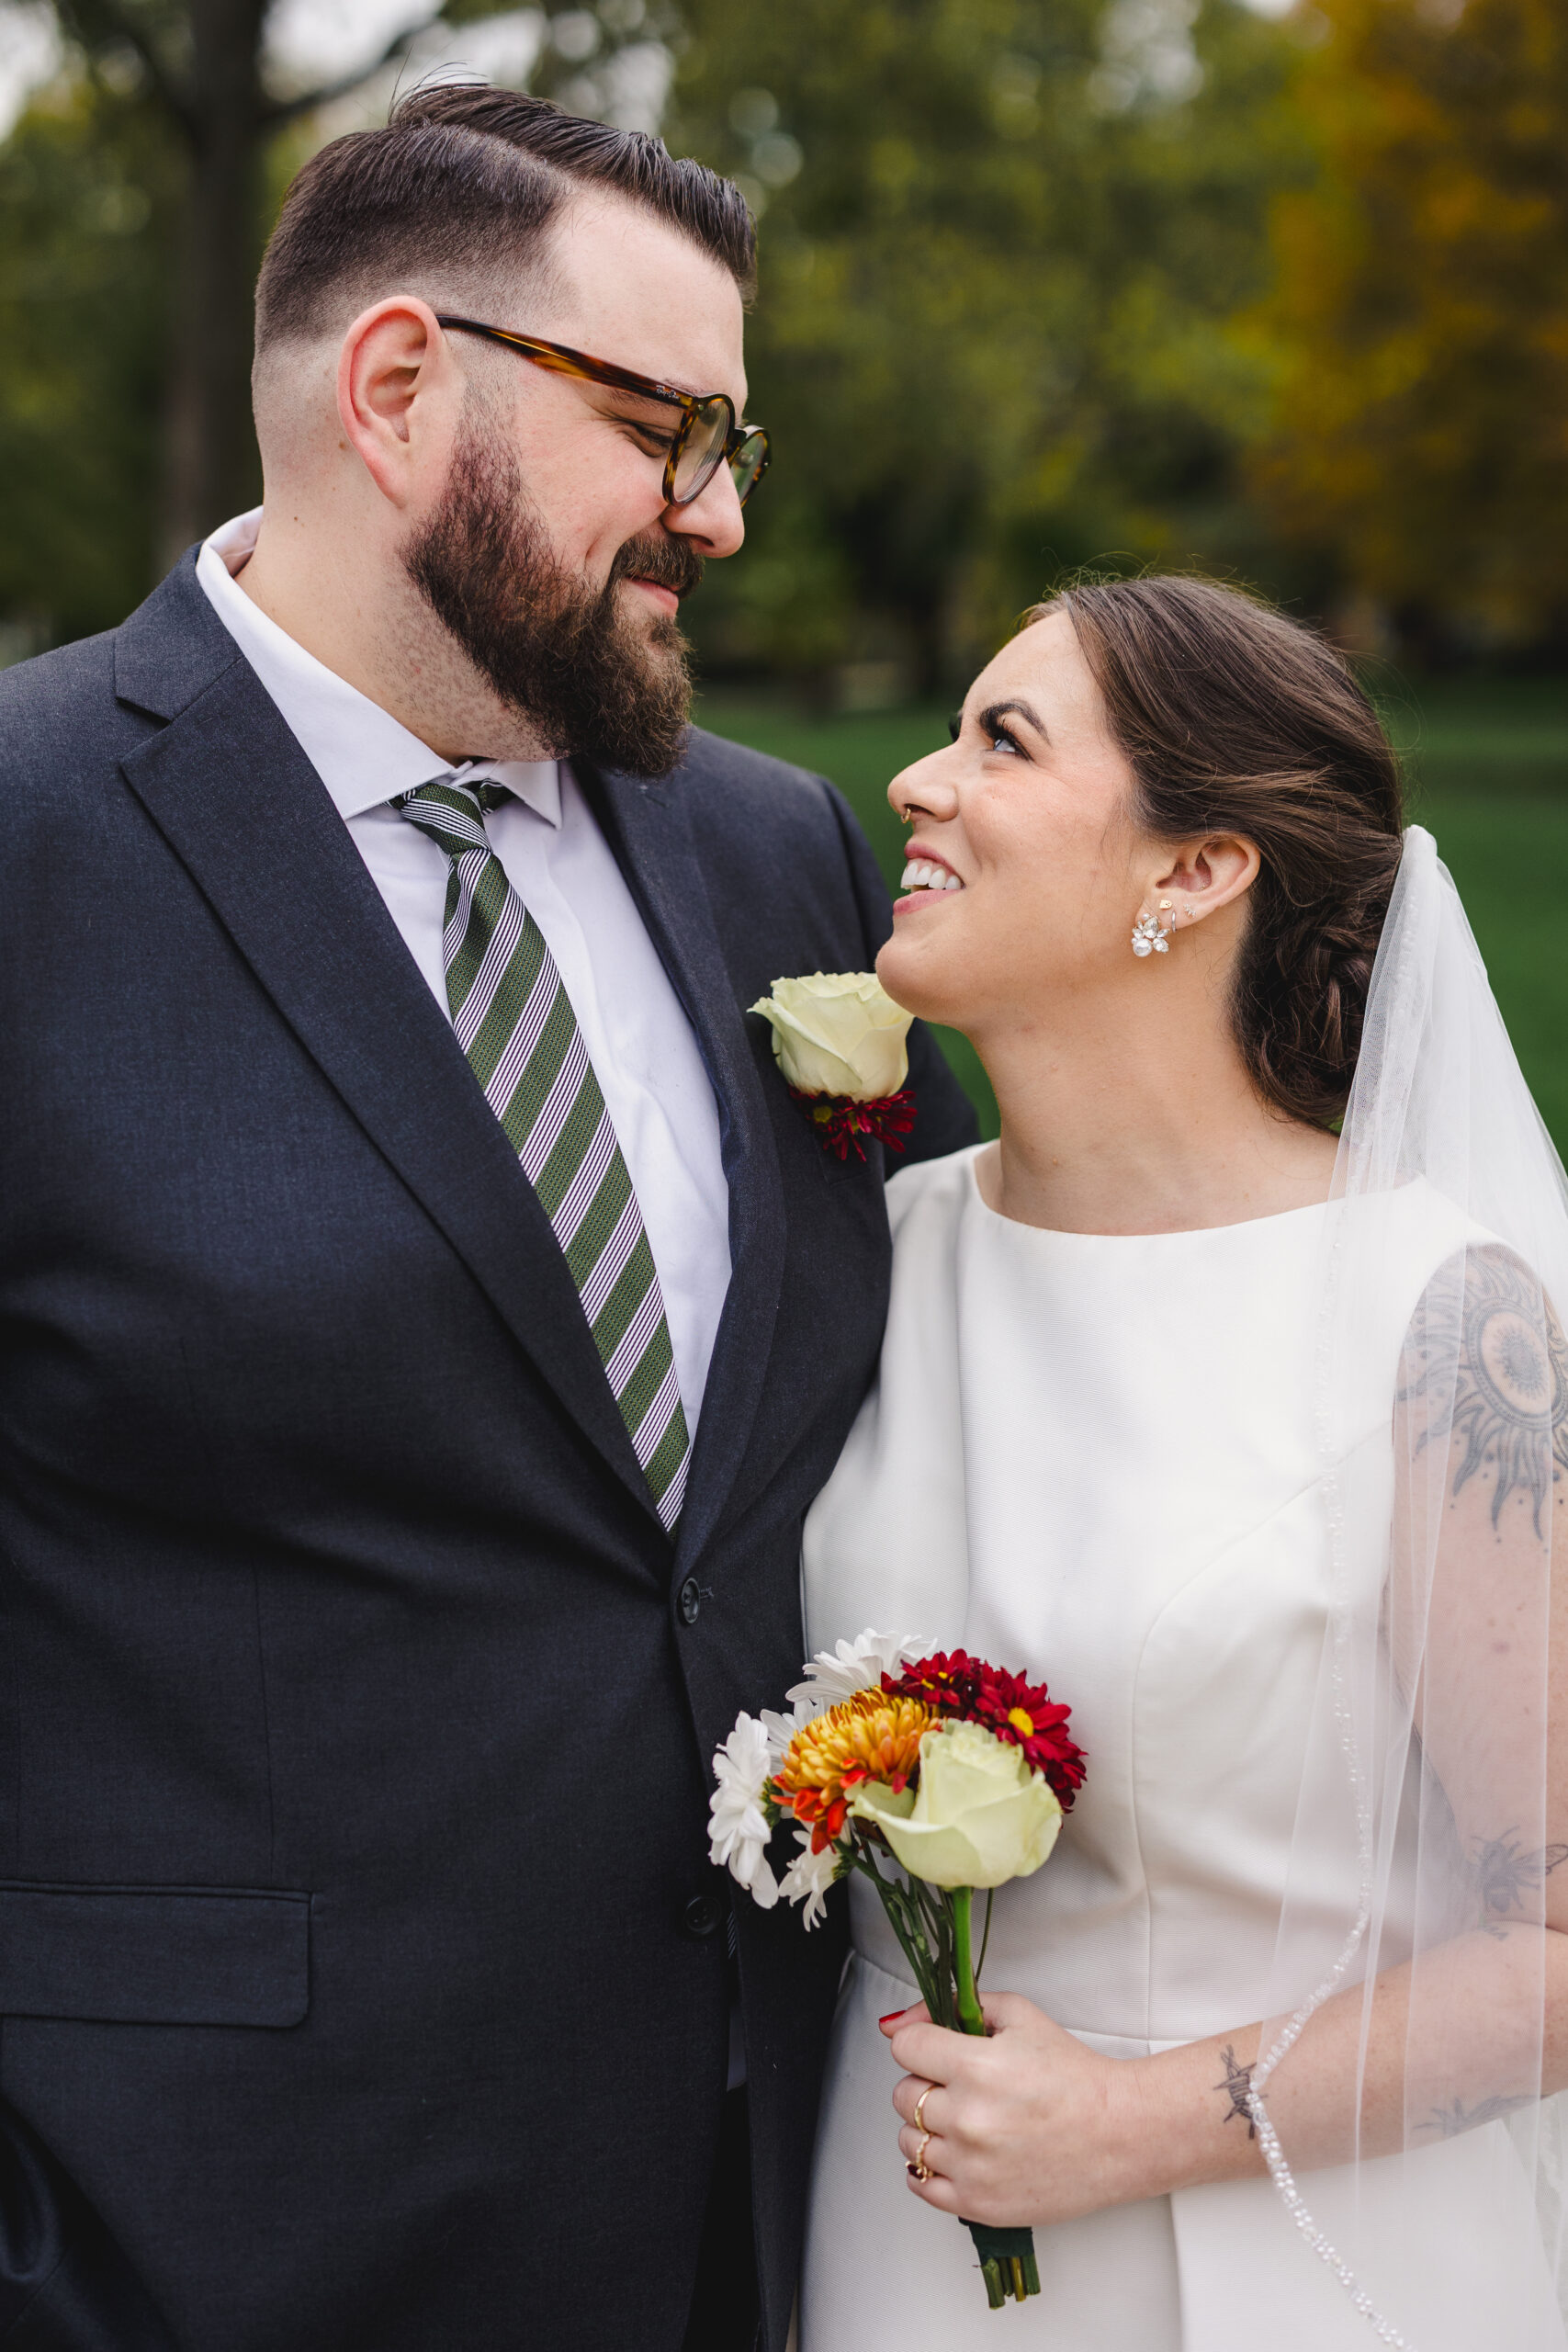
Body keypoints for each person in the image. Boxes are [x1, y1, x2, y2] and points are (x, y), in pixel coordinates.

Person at [0, 84, 976, 2352]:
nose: (717, 516)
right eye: (669, 426)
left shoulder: (779, 855)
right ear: (399, 385)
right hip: (196, 2238)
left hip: (779, 2204)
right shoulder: (26, 848)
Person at [799, 574, 1568, 2348]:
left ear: (1192, 871)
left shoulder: (1433, 1315)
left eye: (1003, 740)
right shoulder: (875, 1255)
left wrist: (1129, 2125)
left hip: (1295, 2266)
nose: (915, 783)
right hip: (897, 2241)